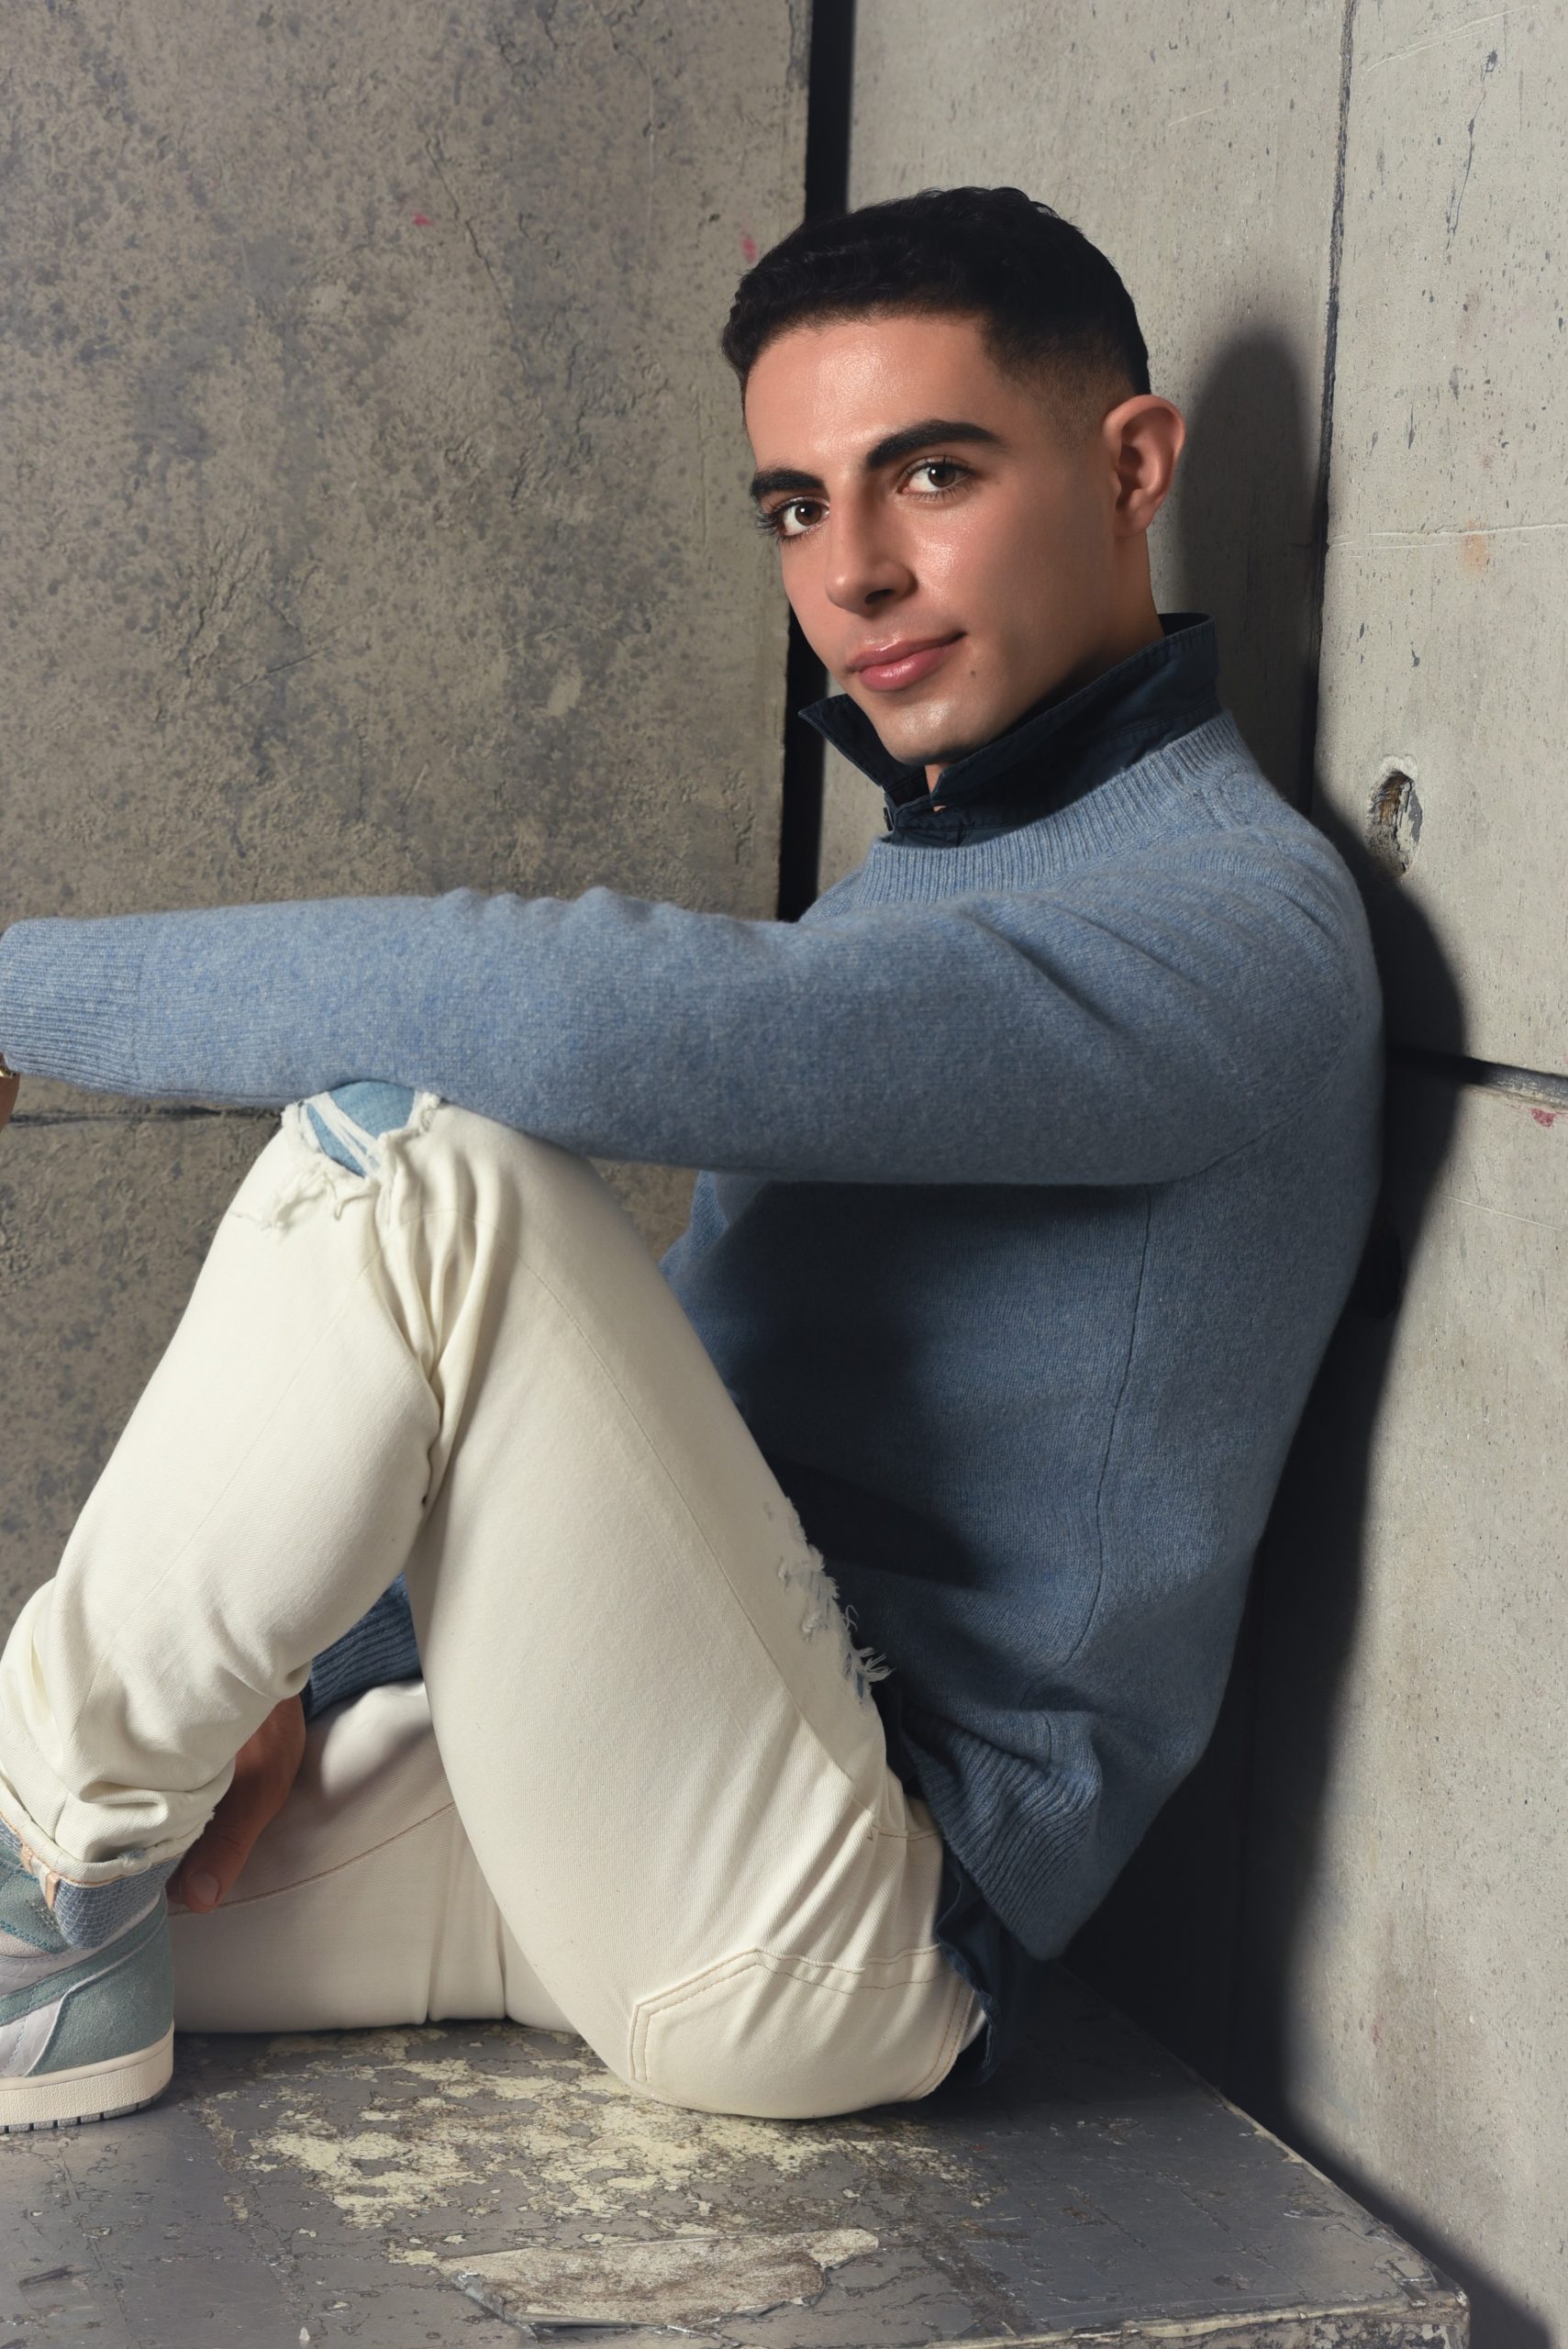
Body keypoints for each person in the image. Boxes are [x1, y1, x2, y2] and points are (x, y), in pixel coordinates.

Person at [0, 185, 1382, 2133]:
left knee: (423, 1174)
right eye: (798, 508)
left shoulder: (1235, 926)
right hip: (626, 1796)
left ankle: (40, 1869)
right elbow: (657, 1428)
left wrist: (19, 998)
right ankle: (51, 1891)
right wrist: (305, 1681)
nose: (856, 573)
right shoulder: (914, 898)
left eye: (933, 474)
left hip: (848, 1910)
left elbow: (588, 1026)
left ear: (1130, 465)